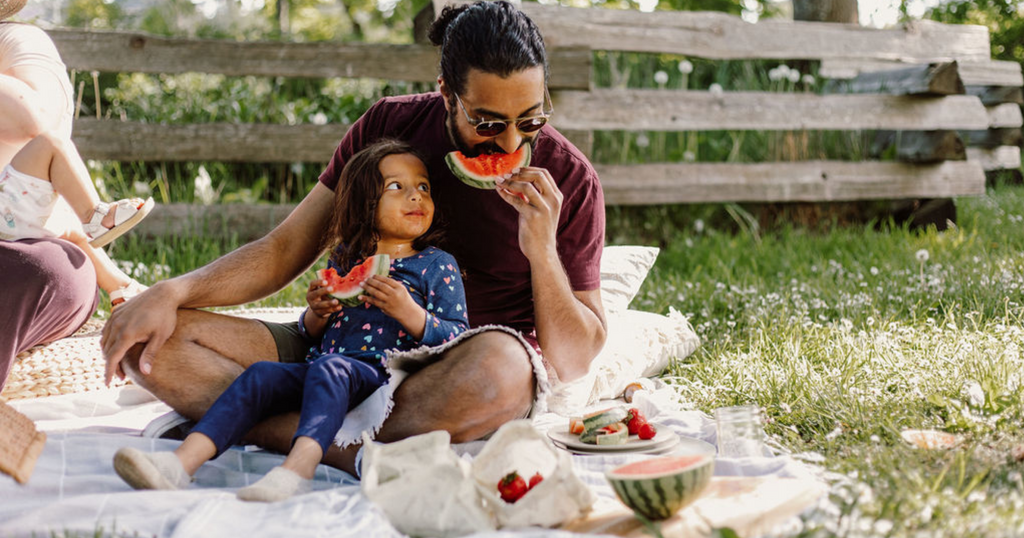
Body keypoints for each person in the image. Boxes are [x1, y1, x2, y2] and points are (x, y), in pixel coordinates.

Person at [101, 0, 607, 477]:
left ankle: (264, 428)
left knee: (503, 369)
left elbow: (574, 358)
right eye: (489, 123)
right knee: (147, 341)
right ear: (447, 94)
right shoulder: (390, 124)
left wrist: (541, 252)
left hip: (452, 367)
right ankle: (341, 446)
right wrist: (170, 292)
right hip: (339, 347)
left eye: (532, 119)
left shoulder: (571, 180)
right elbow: (283, 251)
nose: (513, 142)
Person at [112, 139, 469, 501]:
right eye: (397, 187)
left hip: (381, 376)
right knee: (261, 374)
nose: (416, 197)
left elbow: (459, 336)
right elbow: (310, 334)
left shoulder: (437, 265)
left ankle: (297, 470)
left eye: (423, 187)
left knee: (332, 368)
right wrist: (316, 313)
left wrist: (410, 313)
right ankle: (180, 463)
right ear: (363, 202)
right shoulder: (345, 259)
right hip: (323, 369)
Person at [0, 3, 144, 389]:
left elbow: (34, 118)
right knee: (67, 233)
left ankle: (115, 269)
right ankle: (114, 265)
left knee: (59, 255)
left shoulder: (16, 41)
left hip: (14, 229)